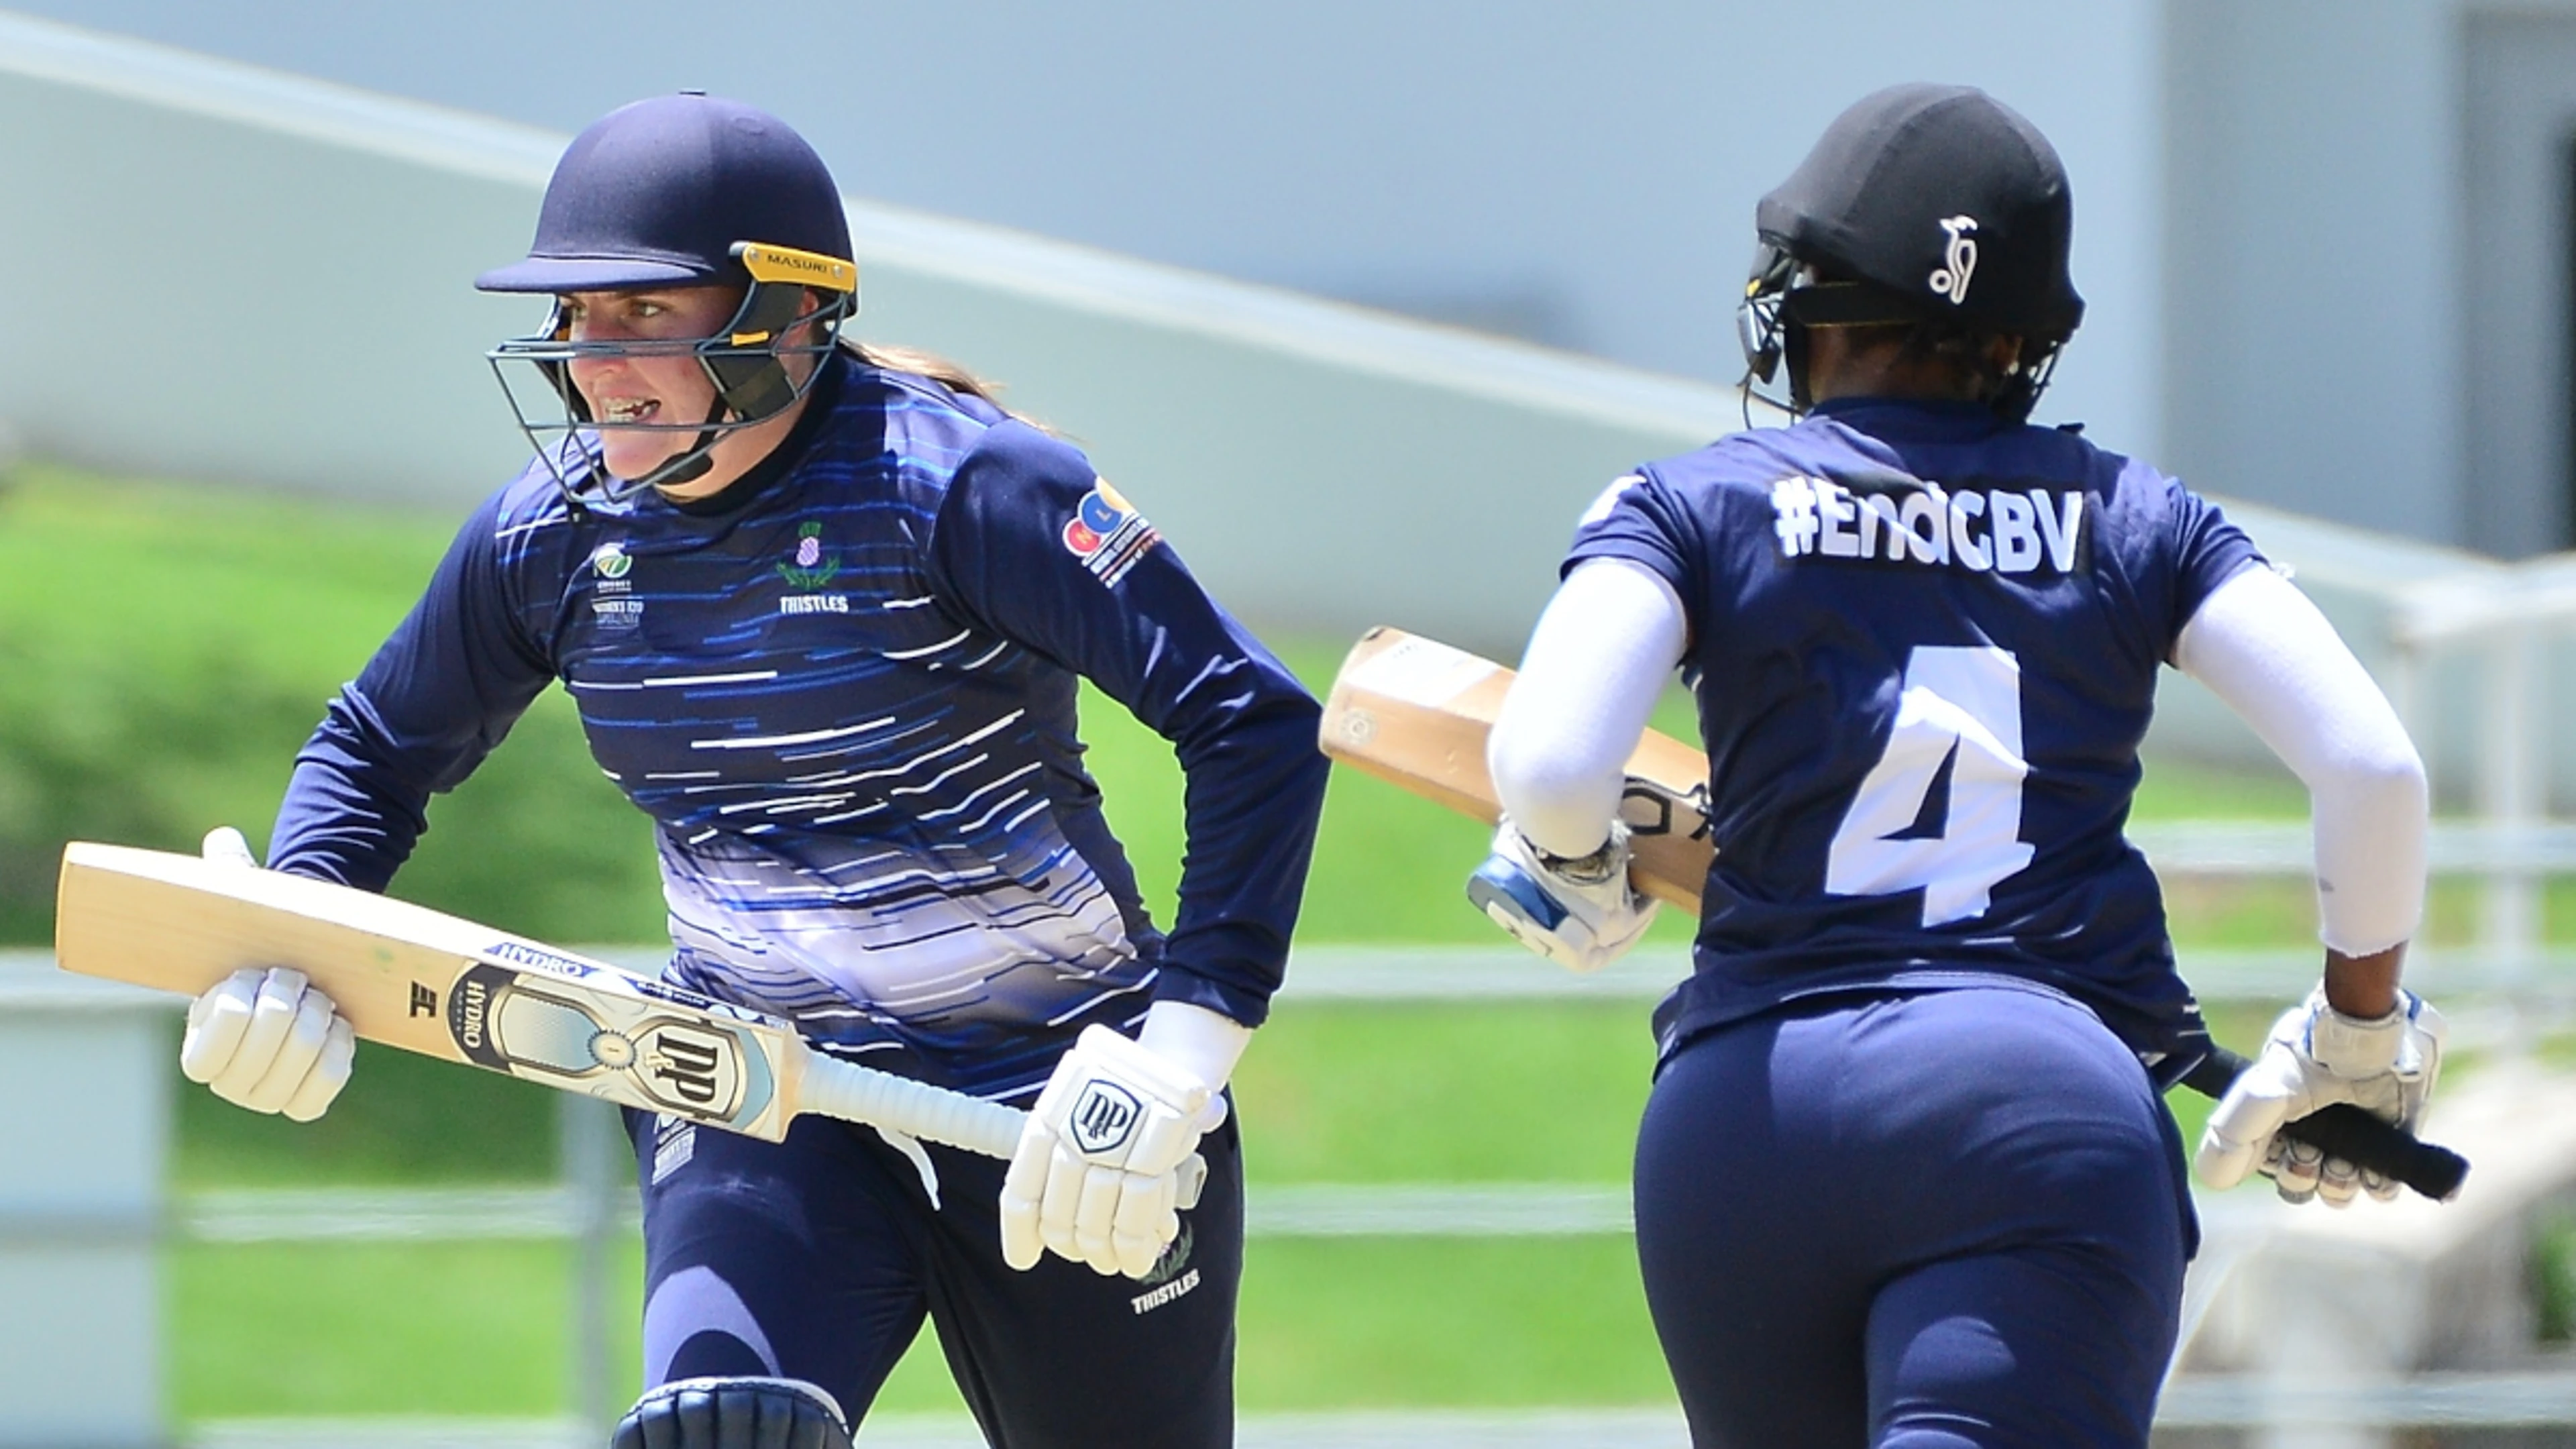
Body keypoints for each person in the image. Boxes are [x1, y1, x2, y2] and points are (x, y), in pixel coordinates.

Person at [169, 92, 1328, 1449]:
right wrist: (294, 936)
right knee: (721, 1433)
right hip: (752, 1087)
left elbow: (1250, 717)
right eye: (578, 319)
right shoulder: (549, 537)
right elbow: (373, 749)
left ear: (788, 318)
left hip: (1065, 1108)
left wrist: (1180, 1055)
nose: (597, 366)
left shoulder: (965, 487)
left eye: (646, 314)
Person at [1468, 83, 2445, 1447]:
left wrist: (1578, 863)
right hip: (2029, 1110)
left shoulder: (1687, 500)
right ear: (2021, 340)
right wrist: (2354, 1025)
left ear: (1812, 304)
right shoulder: (2138, 516)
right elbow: (2374, 770)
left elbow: (1554, 761)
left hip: (1747, 1122)